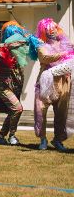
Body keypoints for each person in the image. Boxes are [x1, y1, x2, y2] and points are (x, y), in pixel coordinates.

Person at [0, 21, 41, 146]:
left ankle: (0, 136)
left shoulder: (19, 49)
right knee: (17, 108)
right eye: (14, 33)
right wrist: (28, 38)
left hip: (16, 83)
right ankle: (12, 136)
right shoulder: (3, 47)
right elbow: (10, 44)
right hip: (2, 83)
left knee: (13, 110)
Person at [34, 18, 73, 152]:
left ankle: (58, 140)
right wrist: (63, 54)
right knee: (40, 110)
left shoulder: (66, 44)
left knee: (61, 113)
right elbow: (44, 57)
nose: (52, 31)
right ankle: (43, 139)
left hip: (64, 81)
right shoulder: (41, 45)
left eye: (54, 28)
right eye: (49, 30)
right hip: (46, 81)